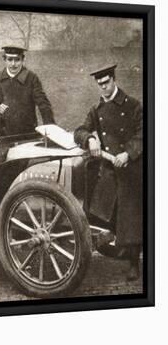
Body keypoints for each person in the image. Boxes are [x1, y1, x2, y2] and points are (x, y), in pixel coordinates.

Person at [74, 64, 143, 281]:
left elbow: (145, 132)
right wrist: (90, 139)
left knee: (131, 217)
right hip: (109, 170)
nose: (103, 88)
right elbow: (80, 131)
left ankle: (134, 263)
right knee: (105, 212)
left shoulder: (133, 105)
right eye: (100, 84)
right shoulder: (97, 110)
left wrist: (128, 154)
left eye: (106, 83)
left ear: (114, 80)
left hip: (131, 169)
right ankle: (119, 248)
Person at [0, 46, 55, 136]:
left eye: (17, 60)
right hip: (4, 133)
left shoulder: (31, 78)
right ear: (5, 60)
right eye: (10, 60)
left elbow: (43, 104)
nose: (13, 64)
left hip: (27, 132)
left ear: (22, 60)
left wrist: (51, 129)